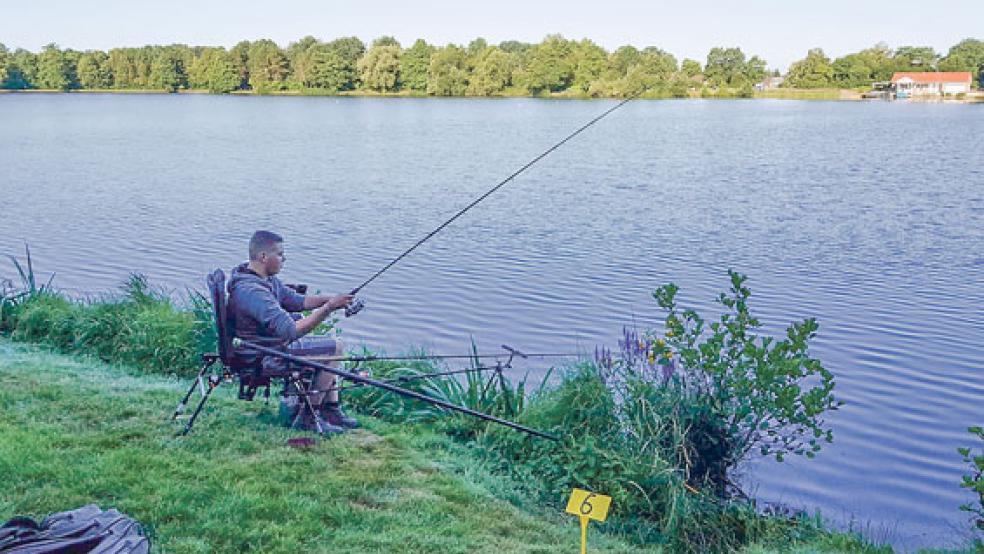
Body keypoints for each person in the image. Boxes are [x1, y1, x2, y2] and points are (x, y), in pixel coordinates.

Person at [227, 230, 358, 435]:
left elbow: (298, 301)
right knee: (334, 348)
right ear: (263, 257)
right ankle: (308, 417)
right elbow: (290, 331)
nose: (284, 259)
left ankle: (331, 412)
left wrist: (333, 299)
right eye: (279, 254)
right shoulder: (252, 291)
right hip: (263, 356)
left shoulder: (263, 279)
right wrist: (329, 307)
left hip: (271, 346)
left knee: (332, 344)